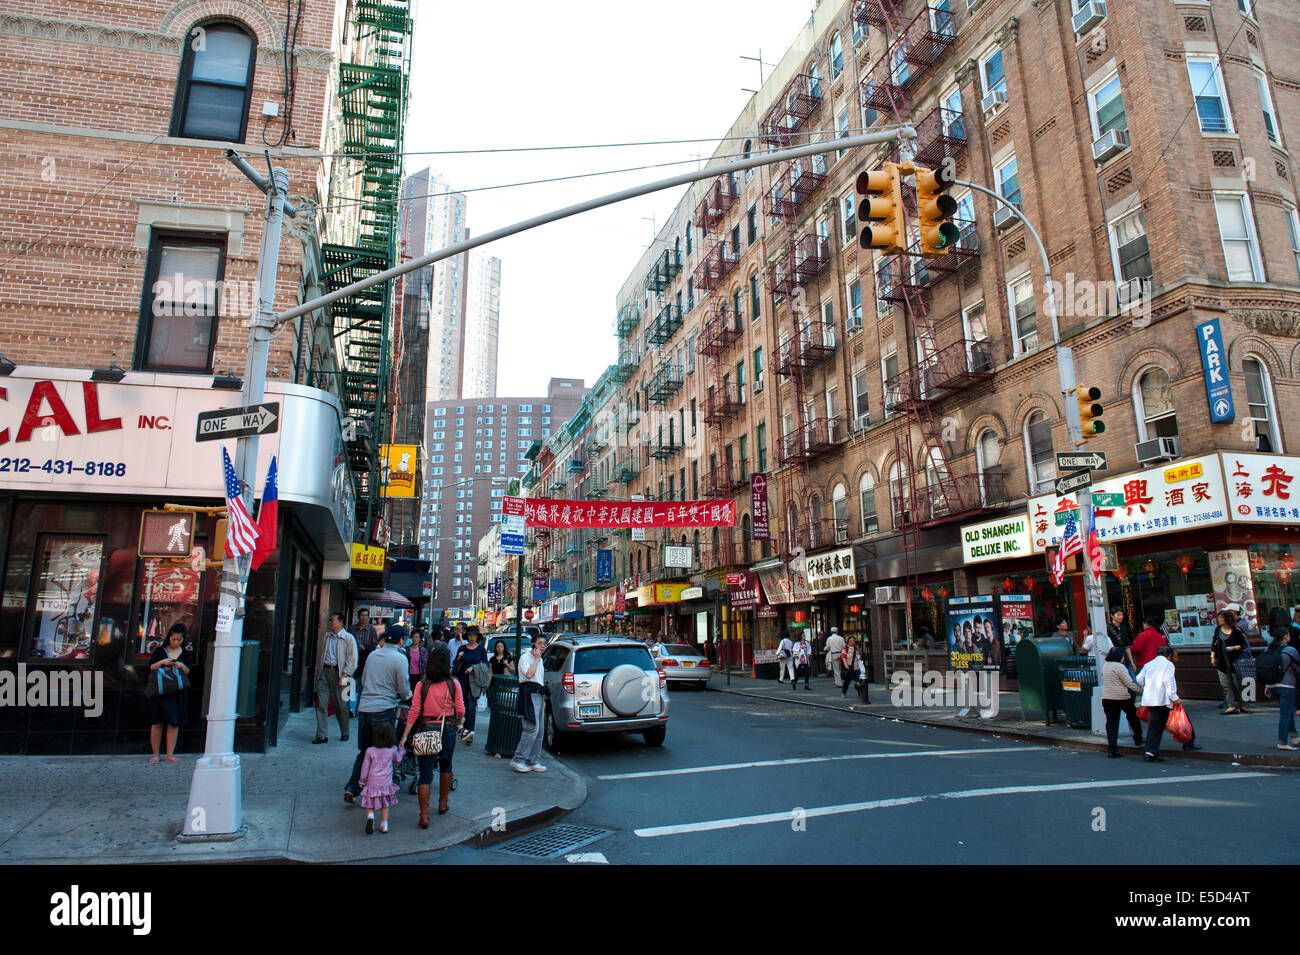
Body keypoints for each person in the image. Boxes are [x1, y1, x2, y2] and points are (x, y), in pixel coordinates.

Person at [344, 624, 411, 805]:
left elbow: (364, 680)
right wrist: (407, 697)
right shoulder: (400, 658)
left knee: (365, 751)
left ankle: (353, 787)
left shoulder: (373, 655)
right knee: (383, 753)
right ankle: (380, 791)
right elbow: (403, 687)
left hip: (365, 708)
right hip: (384, 709)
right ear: (400, 640)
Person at [399, 646, 464, 826]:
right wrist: (459, 721)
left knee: (425, 772)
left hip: (426, 729)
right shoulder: (454, 684)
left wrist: (405, 736)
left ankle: (424, 815)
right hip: (448, 728)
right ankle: (443, 803)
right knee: (446, 765)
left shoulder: (422, 685)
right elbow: (460, 710)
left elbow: (414, 712)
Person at [1136, 645, 1201, 761]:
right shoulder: (1168, 665)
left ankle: (1150, 751)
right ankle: (1188, 743)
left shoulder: (1148, 664)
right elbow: (1169, 681)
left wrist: (1146, 688)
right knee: (1182, 721)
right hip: (1164, 700)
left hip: (1150, 700)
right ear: (1169, 656)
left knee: (1154, 726)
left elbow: (1139, 679)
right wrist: (1174, 697)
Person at [147, 623, 192, 764]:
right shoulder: (160, 651)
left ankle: (170, 754)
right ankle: (155, 754)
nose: (176, 642)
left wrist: (181, 665)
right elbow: (151, 667)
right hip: (160, 691)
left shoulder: (184, 653)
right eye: (174, 639)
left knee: (174, 723)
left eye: (179, 640)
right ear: (169, 638)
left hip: (176, 692)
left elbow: (188, 671)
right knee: (157, 722)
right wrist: (163, 662)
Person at [313, 612, 356, 744]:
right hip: (325, 672)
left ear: (340, 622)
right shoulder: (327, 637)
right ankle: (322, 735)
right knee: (321, 704)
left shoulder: (348, 638)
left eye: (332, 620)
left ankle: (345, 731)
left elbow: (352, 660)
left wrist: (345, 675)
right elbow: (321, 655)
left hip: (340, 673)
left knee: (341, 706)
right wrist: (318, 672)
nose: (330, 622)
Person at [512, 634, 550, 773]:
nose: (542, 646)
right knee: (531, 729)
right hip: (528, 694)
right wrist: (536, 659)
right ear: (533, 644)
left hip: (539, 694)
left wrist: (543, 700)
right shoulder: (526, 658)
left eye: (544, 643)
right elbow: (528, 675)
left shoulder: (539, 660)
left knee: (540, 731)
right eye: (540, 643)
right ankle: (518, 759)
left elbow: (539, 678)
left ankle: (533, 759)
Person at [357, 721, 404, 834]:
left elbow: (365, 767)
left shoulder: (370, 751)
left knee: (370, 801)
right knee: (384, 804)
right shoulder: (392, 749)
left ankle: (371, 816)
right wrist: (401, 751)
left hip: (372, 781)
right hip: (386, 782)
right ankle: (384, 824)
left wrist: (362, 780)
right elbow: (397, 760)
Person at [1100, 646, 1143, 757]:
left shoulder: (1105, 666)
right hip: (1122, 697)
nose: (1124, 658)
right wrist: (1141, 690)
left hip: (1107, 698)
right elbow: (1129, 683)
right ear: (1120, 656)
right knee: (1133, 717)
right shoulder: (1120, 667)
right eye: (1123, 656)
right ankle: (1138, 738)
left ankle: (1112, 748)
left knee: (1111, 723)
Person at [1263, 623, 1300, 751]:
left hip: (1273, 686)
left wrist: (1267, 686)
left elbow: (1266, 669)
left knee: (1288, 711)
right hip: (1287, 685)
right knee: (1285, 713)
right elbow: (1297, 668)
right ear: (1285, 637)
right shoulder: (1290, 650)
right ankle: (1283, 741)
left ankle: (1294, 737)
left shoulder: (1268, 650)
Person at [452, 626, 489, 745]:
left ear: (477, 637)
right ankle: (465, 729)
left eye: (474, 635)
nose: (472, 638)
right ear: (467, 636)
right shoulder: (462, 648)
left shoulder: (481, 649)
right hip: (463, 679)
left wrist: (474, 668)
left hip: (475, 680)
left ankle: (470, 731)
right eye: (470, 635)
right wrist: (459, 657)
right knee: (463, 705)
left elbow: (485, 667)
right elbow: (455, 664)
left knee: (472, 707)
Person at [1211, 609, 1250, 714]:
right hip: (1221, 661)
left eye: (1221, 618)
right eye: (1219, 618)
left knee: (1239, 684)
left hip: (1235, 661)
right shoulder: (1218, 630)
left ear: (1227, 619)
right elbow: (1214, 644)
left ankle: (1243, 705)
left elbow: (1243, 645)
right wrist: (1212, 656)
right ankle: (1231, 705)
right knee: (1226, 685)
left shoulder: (1236, 631)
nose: (1219, 620)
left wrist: (1233, 648)